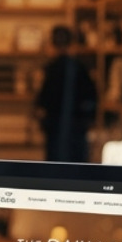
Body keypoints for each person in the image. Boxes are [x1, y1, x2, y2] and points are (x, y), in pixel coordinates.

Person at [34, 25, 99, 163]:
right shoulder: (80, 67)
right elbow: (92, 98)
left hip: (58, 130)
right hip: (76, 130)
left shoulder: (50, 69)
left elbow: (43, 102)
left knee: (57, 167)